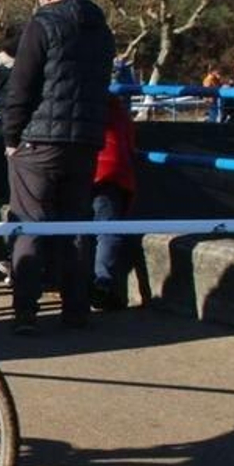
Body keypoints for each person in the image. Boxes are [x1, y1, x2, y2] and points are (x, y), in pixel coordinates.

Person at [3, 0, 115, 334]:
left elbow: (21, 85)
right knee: (77, 224)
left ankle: (25, 311)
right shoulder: (102, 30)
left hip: (38, 140)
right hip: (85, 139)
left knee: (29, 222)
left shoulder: (42, 24)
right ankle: (76, 308)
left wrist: (11, 137)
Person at [90, 94, 137, 311]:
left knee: (77, 230)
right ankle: (103, 284)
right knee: (108, 230)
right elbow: (129, 141)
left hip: (82, 169)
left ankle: (81, 284)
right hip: (110, 172)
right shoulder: (114, 106)